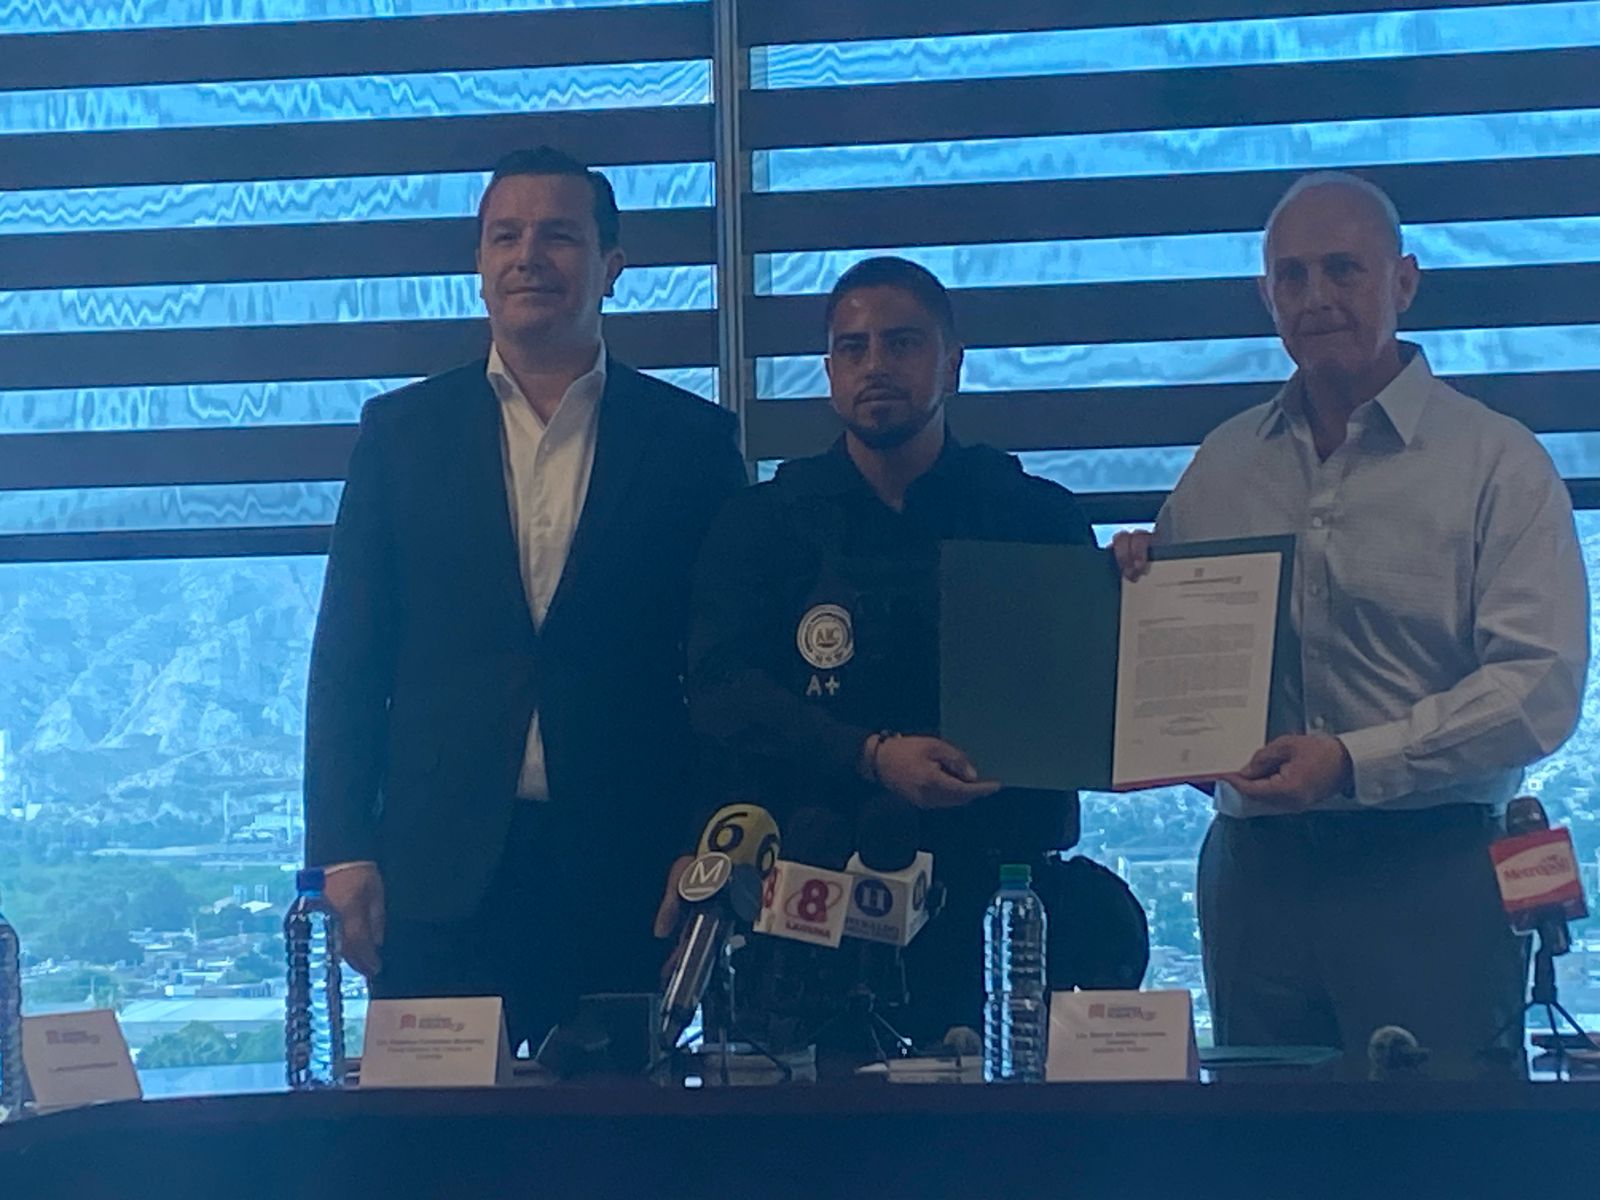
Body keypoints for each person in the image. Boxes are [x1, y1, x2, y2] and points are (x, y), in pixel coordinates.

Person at [1114, 172, 1589, 1066]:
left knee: (1443, 1135)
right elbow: (1170, 659)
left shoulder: (1497, 462)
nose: (1316, 296)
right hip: (1256, 876)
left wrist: (1351, 761)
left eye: (1343, 269)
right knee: (1267, 1134)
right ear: (1266, 297)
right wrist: (1129, 583)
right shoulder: (1222, 466)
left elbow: (1538, 688)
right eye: (1291, 276)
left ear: (1404, 282)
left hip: (1431, 869)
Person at [303, 146, 747, 1048]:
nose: (528, 257)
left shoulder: (692, 445)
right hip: (435, 873)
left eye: (558, 236)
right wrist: (341, 850)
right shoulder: (401, 434)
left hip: (629, 870)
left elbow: (724, 674)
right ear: (478, 265)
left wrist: (707, 845)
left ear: (611, 266)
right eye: (505, 236)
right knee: (434, 1132)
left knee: (618, 1127)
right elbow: (349, 659)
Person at [677, 256, 1097, 1046]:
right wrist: (869, 756)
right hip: (810, 907)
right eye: (853, 347)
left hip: (996, 905)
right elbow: (722, 692)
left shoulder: (1034, 519)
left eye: (903, 343)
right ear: (830, 372)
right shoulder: (765, 524)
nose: (876, 365)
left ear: (953, 364)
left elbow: (1087, 694)